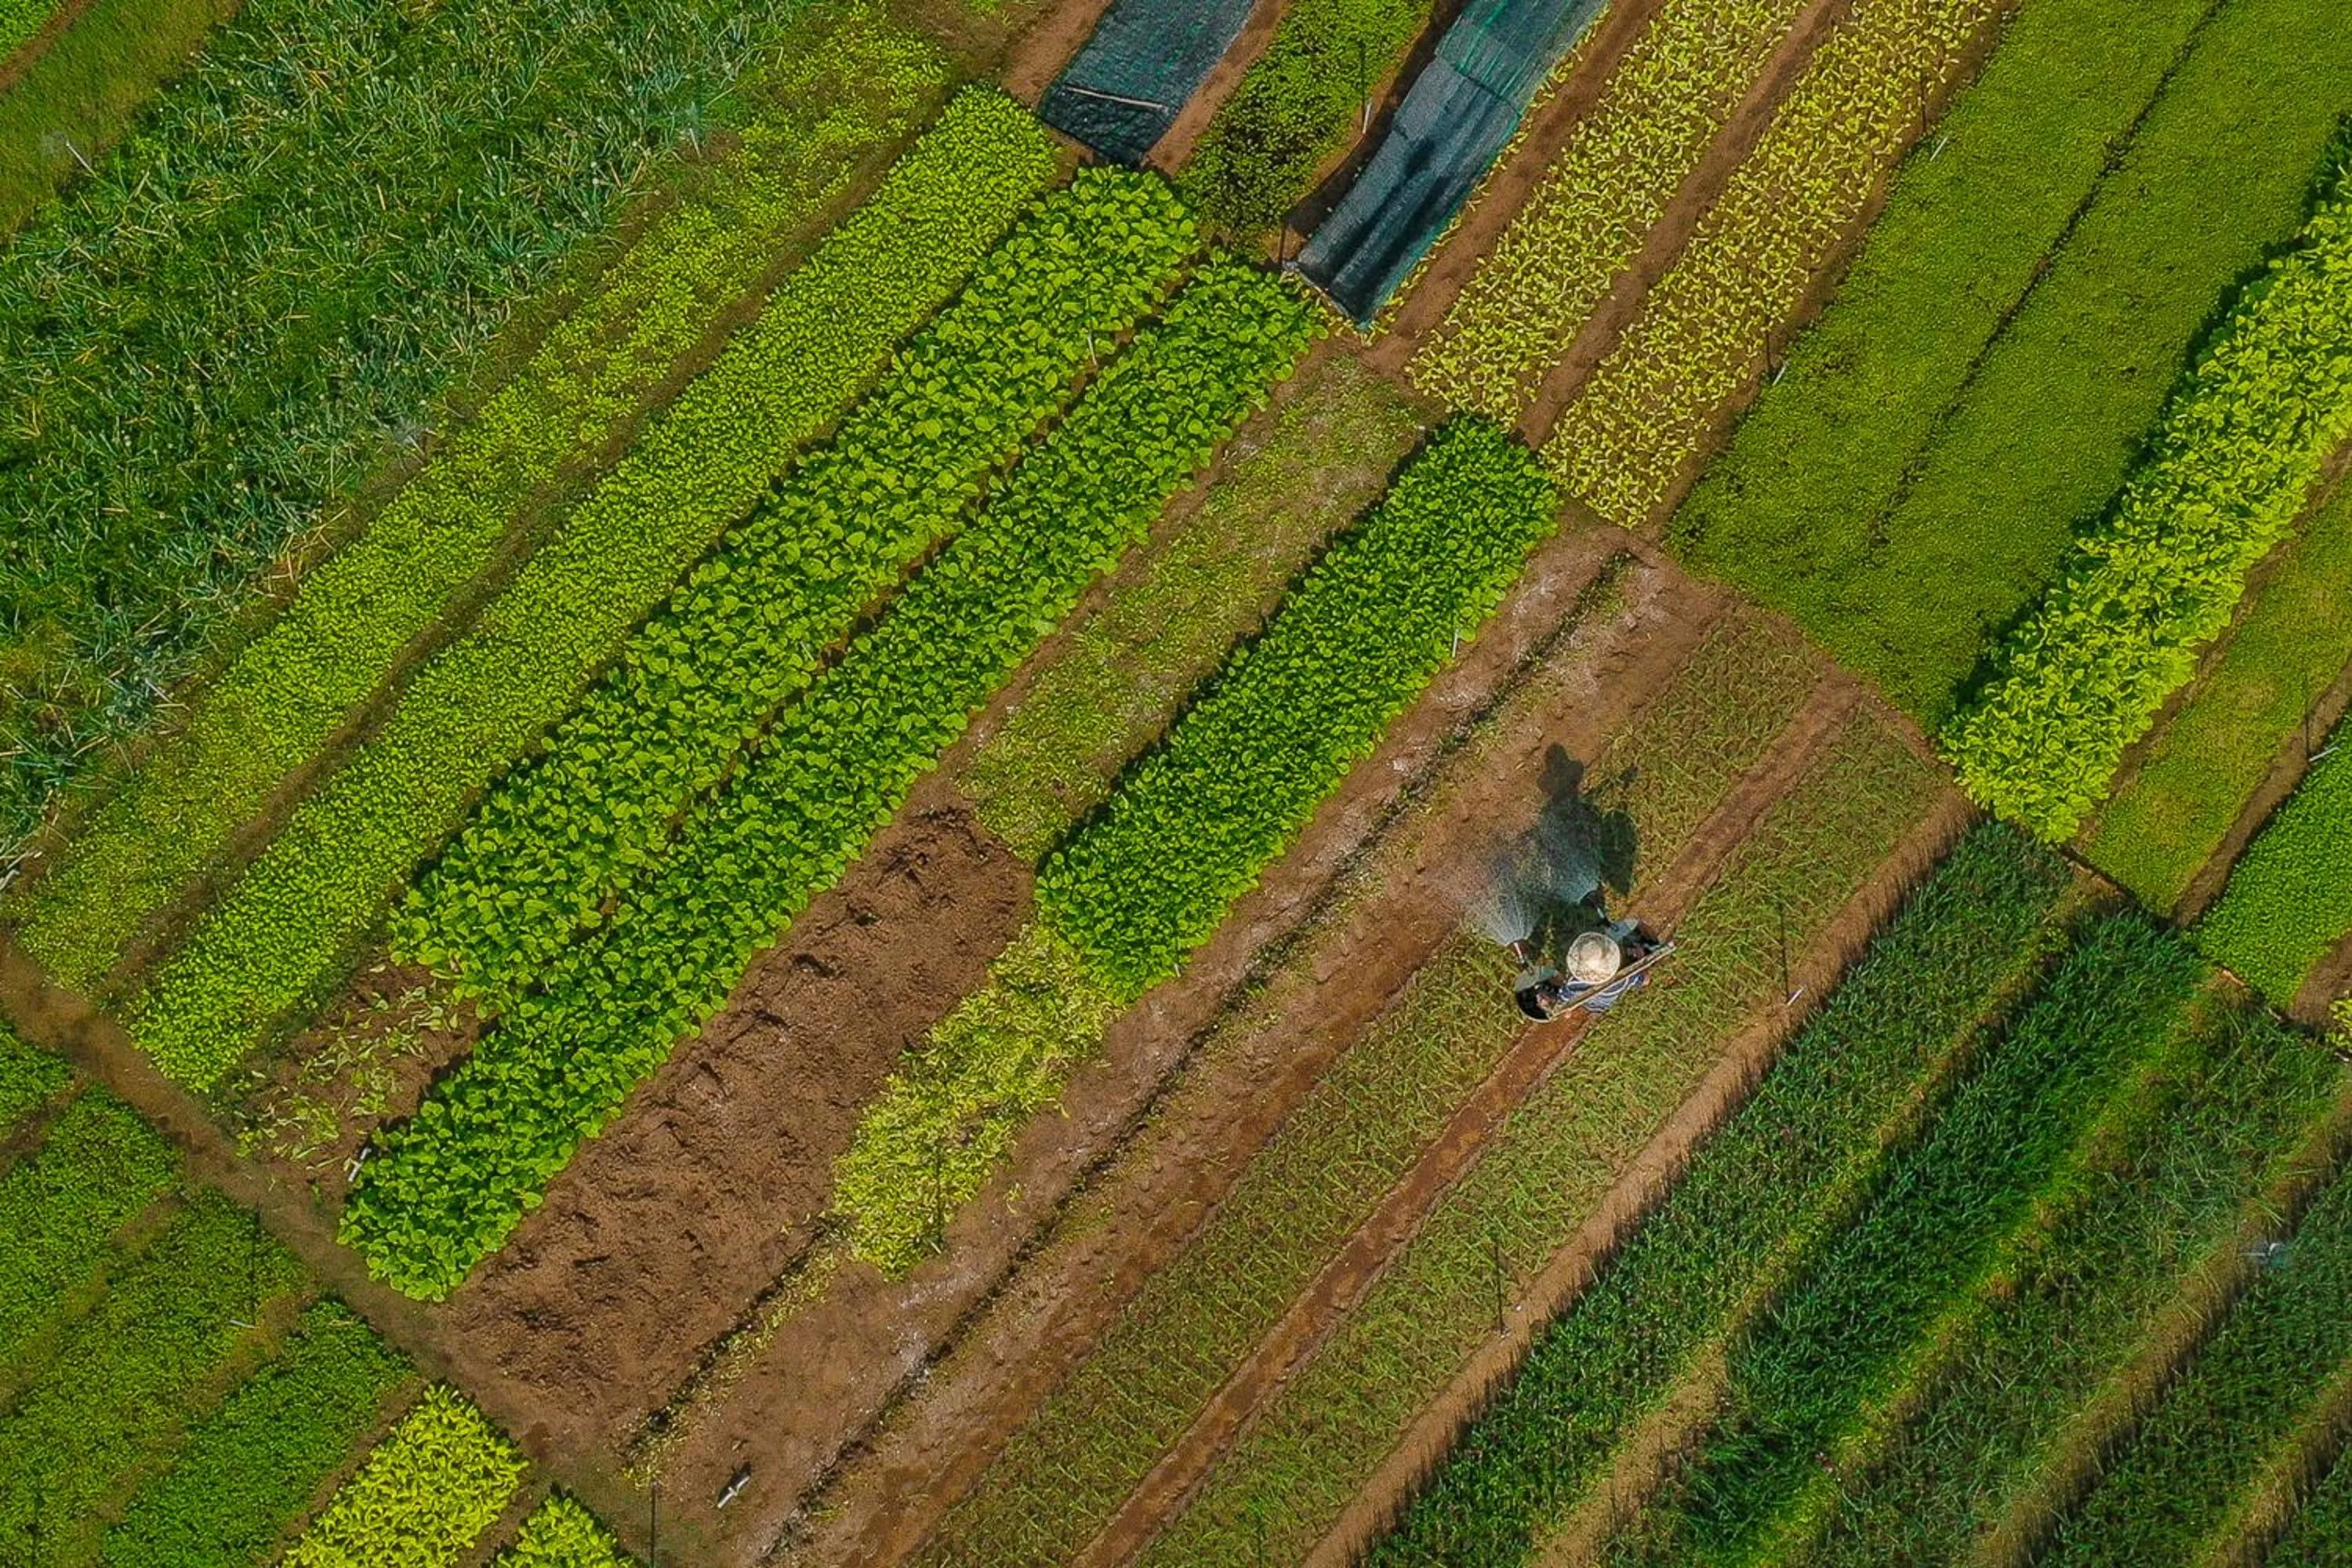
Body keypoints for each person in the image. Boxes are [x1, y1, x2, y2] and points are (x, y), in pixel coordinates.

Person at [1513, 920, 1663, 1021]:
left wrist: (1551, 1002)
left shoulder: (1573, 985)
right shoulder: (1625, 978)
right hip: (1602, 1003)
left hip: (1596, 1005)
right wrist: (1640, 959)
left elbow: (1562, 1005)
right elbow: (1646, 980)